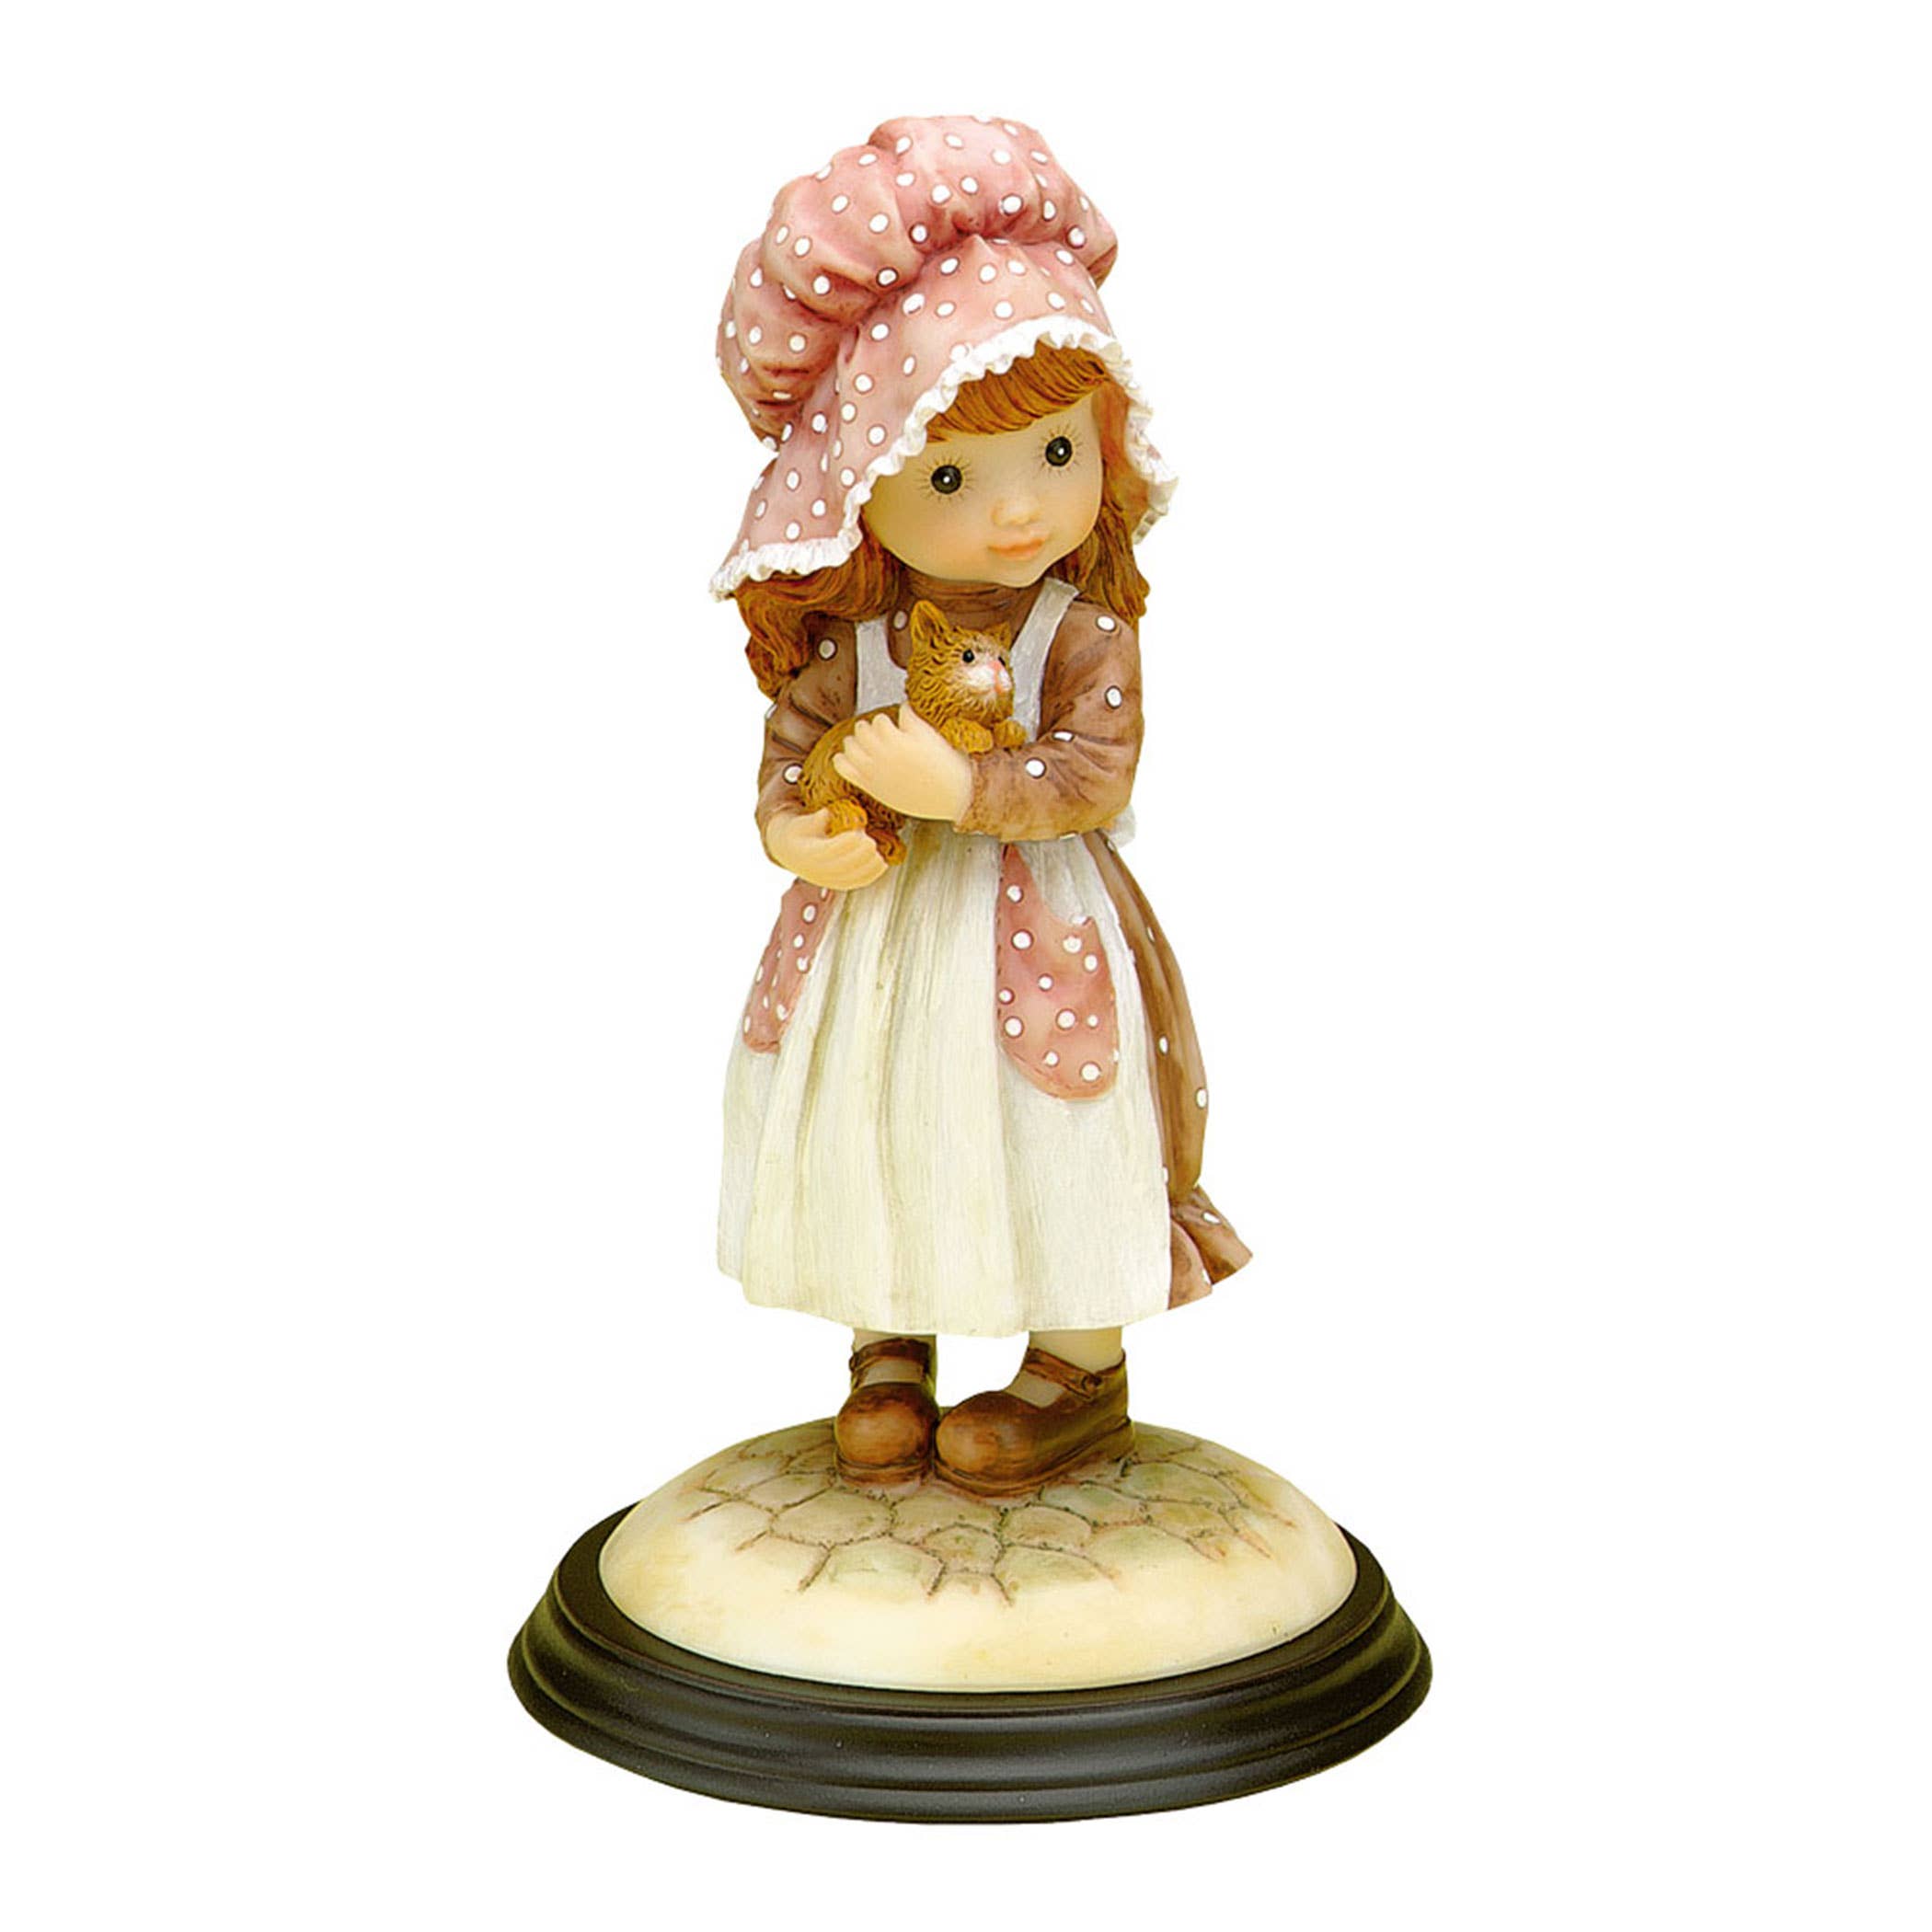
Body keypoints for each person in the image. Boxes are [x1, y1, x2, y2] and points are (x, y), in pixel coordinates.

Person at [712, 115, 1248, 1497]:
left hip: (1031, 925)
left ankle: (1076, 1363)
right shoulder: (857, 642)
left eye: (1057, 454)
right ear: (853, 488)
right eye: (951, 476)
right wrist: (794, 829)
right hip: (880, 933)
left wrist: (960, 787)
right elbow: (791, 751)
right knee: (879, 1114)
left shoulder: (1080, 630)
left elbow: (1094, 773)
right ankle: (887, 1341)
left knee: (1044, 1132)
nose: (1020, 512)